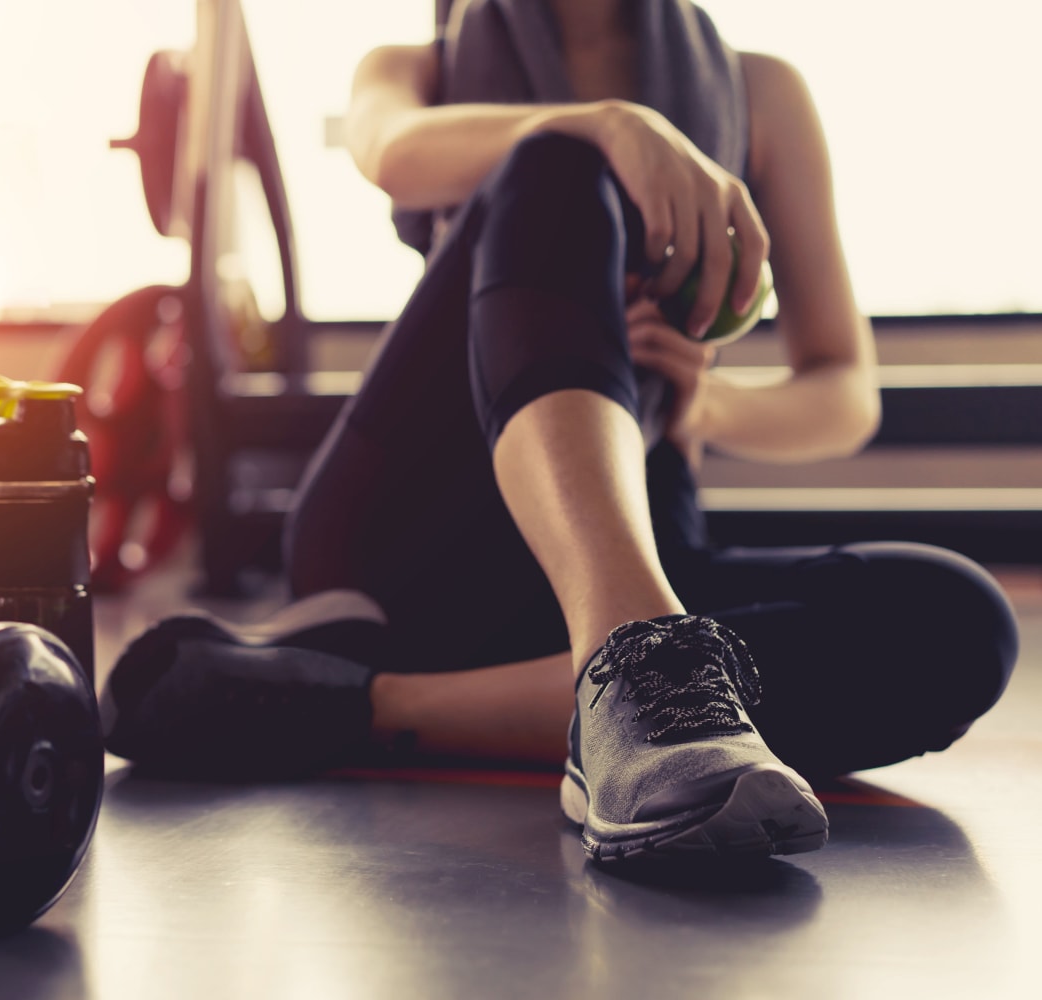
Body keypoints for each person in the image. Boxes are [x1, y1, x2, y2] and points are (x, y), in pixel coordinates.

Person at [99, 0, 1018, 862]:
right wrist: (612, 123)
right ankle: (639, 671)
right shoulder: (414, 67)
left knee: (960, 621)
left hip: (640, 531)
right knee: (558, 157)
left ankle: (367, 702)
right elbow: (391, 151)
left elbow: (844, 393)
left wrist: (709, 407)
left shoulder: (762, 91)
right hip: (413, 538)